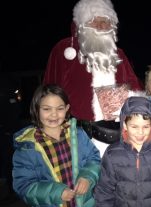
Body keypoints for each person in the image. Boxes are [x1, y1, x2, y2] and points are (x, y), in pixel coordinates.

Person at [43, 0, 143, 157]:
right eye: (95, 20)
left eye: (106, 21)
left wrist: (129, 100)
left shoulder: (119, 54)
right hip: (78, 137)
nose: (101, 26)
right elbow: (48, 92)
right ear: (83, 23)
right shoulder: (64, 49)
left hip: (117, 138)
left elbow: (135, 88)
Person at [12, 84, 101, 207]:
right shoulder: (27, 148)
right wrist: (56, 193)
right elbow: (23, 186)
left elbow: (94, 159)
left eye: (60, 109)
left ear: (66, 109)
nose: (54, 114)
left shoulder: (78, 135)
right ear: (36, 109)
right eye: (46, 109)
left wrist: (87, 177)